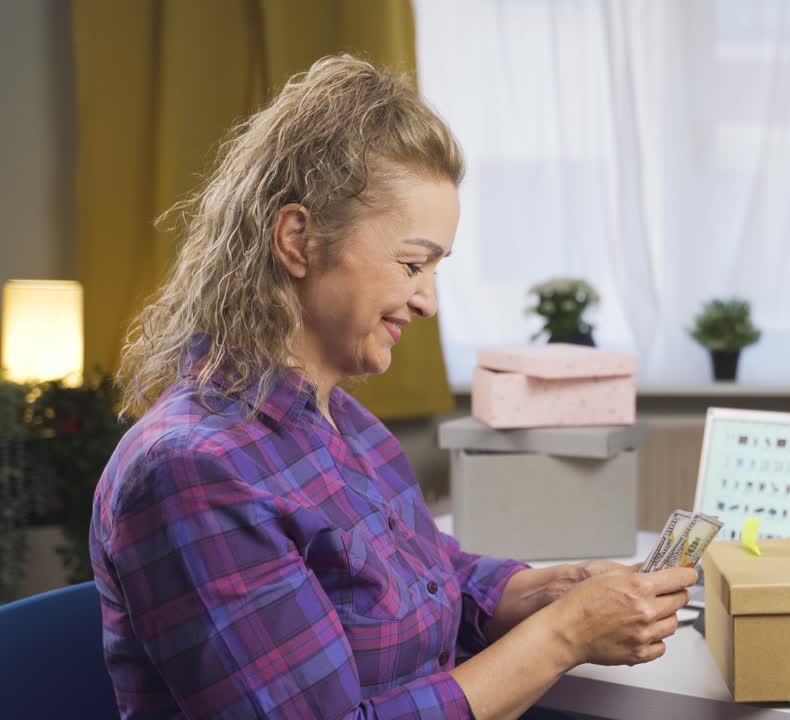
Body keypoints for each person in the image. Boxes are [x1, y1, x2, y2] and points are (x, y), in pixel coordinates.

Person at [90, 55, 697, 720]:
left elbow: (434, 576)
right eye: (412, 263)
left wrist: (554, 588)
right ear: (298, 239)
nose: (427, 302)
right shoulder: (191, 473)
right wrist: (566, 634)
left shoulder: (343, 421)